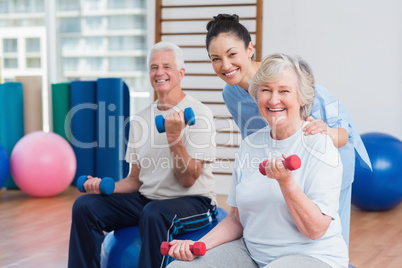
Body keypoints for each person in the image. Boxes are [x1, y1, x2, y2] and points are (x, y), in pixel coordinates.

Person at [166, 53, 348, 268]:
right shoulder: (251, 145)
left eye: (284, 91)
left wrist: (286, 182)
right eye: (266, 90)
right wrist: (198, 245)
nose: (273, 100)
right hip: (251, 254)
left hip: (313, 256)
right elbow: (236, 218)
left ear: (302, 98)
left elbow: (316, 230)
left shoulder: (320, 145)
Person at [204, 14, 371, 246]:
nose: (225, 65)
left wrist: (328, 134)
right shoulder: (230, 94)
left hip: (329, 156)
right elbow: (253, 140)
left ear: (249, 49)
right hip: (288, 163)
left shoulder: (286, 77)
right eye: (215, 58)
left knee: (328, 232)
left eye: (232, 54)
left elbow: (344, 133)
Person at [68, 41, 218, 268]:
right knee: (84, 206)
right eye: (153, 67)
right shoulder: (140, 120)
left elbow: (188, 180)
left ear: (181, 72)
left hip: (194, 202)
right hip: (148, 201)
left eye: (166, 66)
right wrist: (103, 186)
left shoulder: (200, 114)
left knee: (154, 213)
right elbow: (136, 179)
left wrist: (174, 137)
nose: (159, 73)